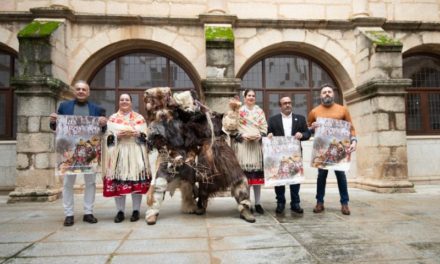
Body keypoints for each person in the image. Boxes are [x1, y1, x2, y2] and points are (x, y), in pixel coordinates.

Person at [49, 80, 107, 226]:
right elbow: (57, 127)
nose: (81, 91)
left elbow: (103, 131)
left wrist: (104, 124)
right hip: (68, 151)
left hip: (89, 151)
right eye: (78, 89)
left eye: (84, 89)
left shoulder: (97, 109)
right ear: (74, 92)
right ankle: (69, 214)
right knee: (68, 183)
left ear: (88, 92)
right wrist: (53, 121)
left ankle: (88, 212)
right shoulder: (64, 106)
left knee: (91, 183)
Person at [308, 84, 357, 215]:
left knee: (341, 176)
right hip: (323, 151)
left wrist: (354, 141)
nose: (327, 94)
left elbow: (351, 127)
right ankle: (319, 202)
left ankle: (345, 203)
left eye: (329, 92)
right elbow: (307, 129)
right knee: (321, 177)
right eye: (324, 92)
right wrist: (311, 127)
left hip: (340, 150)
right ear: (320, 95)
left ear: (333, 94)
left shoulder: (343, 110)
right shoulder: (314, 111)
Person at [103, 93, 151, 223]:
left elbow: (146, 137)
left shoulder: (139, 118)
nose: (124, 101)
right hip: (119, 152)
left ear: (131, 102)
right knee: (119, 182)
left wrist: (138, 134)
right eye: (122, 99)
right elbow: (107, 138)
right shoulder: (112, 118)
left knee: (136, 182)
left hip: (135, 153)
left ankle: (136, 211)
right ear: (119, 102)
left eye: (127, 99)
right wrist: (117, 136)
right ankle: (120, 211)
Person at [267, 96, 311, 214]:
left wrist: (302, 135)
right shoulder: (272, 120)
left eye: (289, 103)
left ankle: (295, 203)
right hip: (278, 156)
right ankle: (280, 203)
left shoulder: (300, 119)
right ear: (280, 106)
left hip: (295, 155)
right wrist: (269, 135)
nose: (287, 105)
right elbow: (267, 133)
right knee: (279, 179)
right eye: (285, 103)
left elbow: (307, 133)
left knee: (295, 179)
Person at [232, 89, 268, 214]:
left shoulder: (260, 111)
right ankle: (247, 202)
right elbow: (232, 128)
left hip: (256, 147)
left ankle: (258, 203)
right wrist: (241, 135)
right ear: (244, 97)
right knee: (246, 178)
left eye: (253, 95)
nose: (251, 97)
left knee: (257, 177)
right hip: (243, 147)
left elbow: (264, 127)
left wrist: (260, 135)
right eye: (249, 95)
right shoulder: (238, 110)